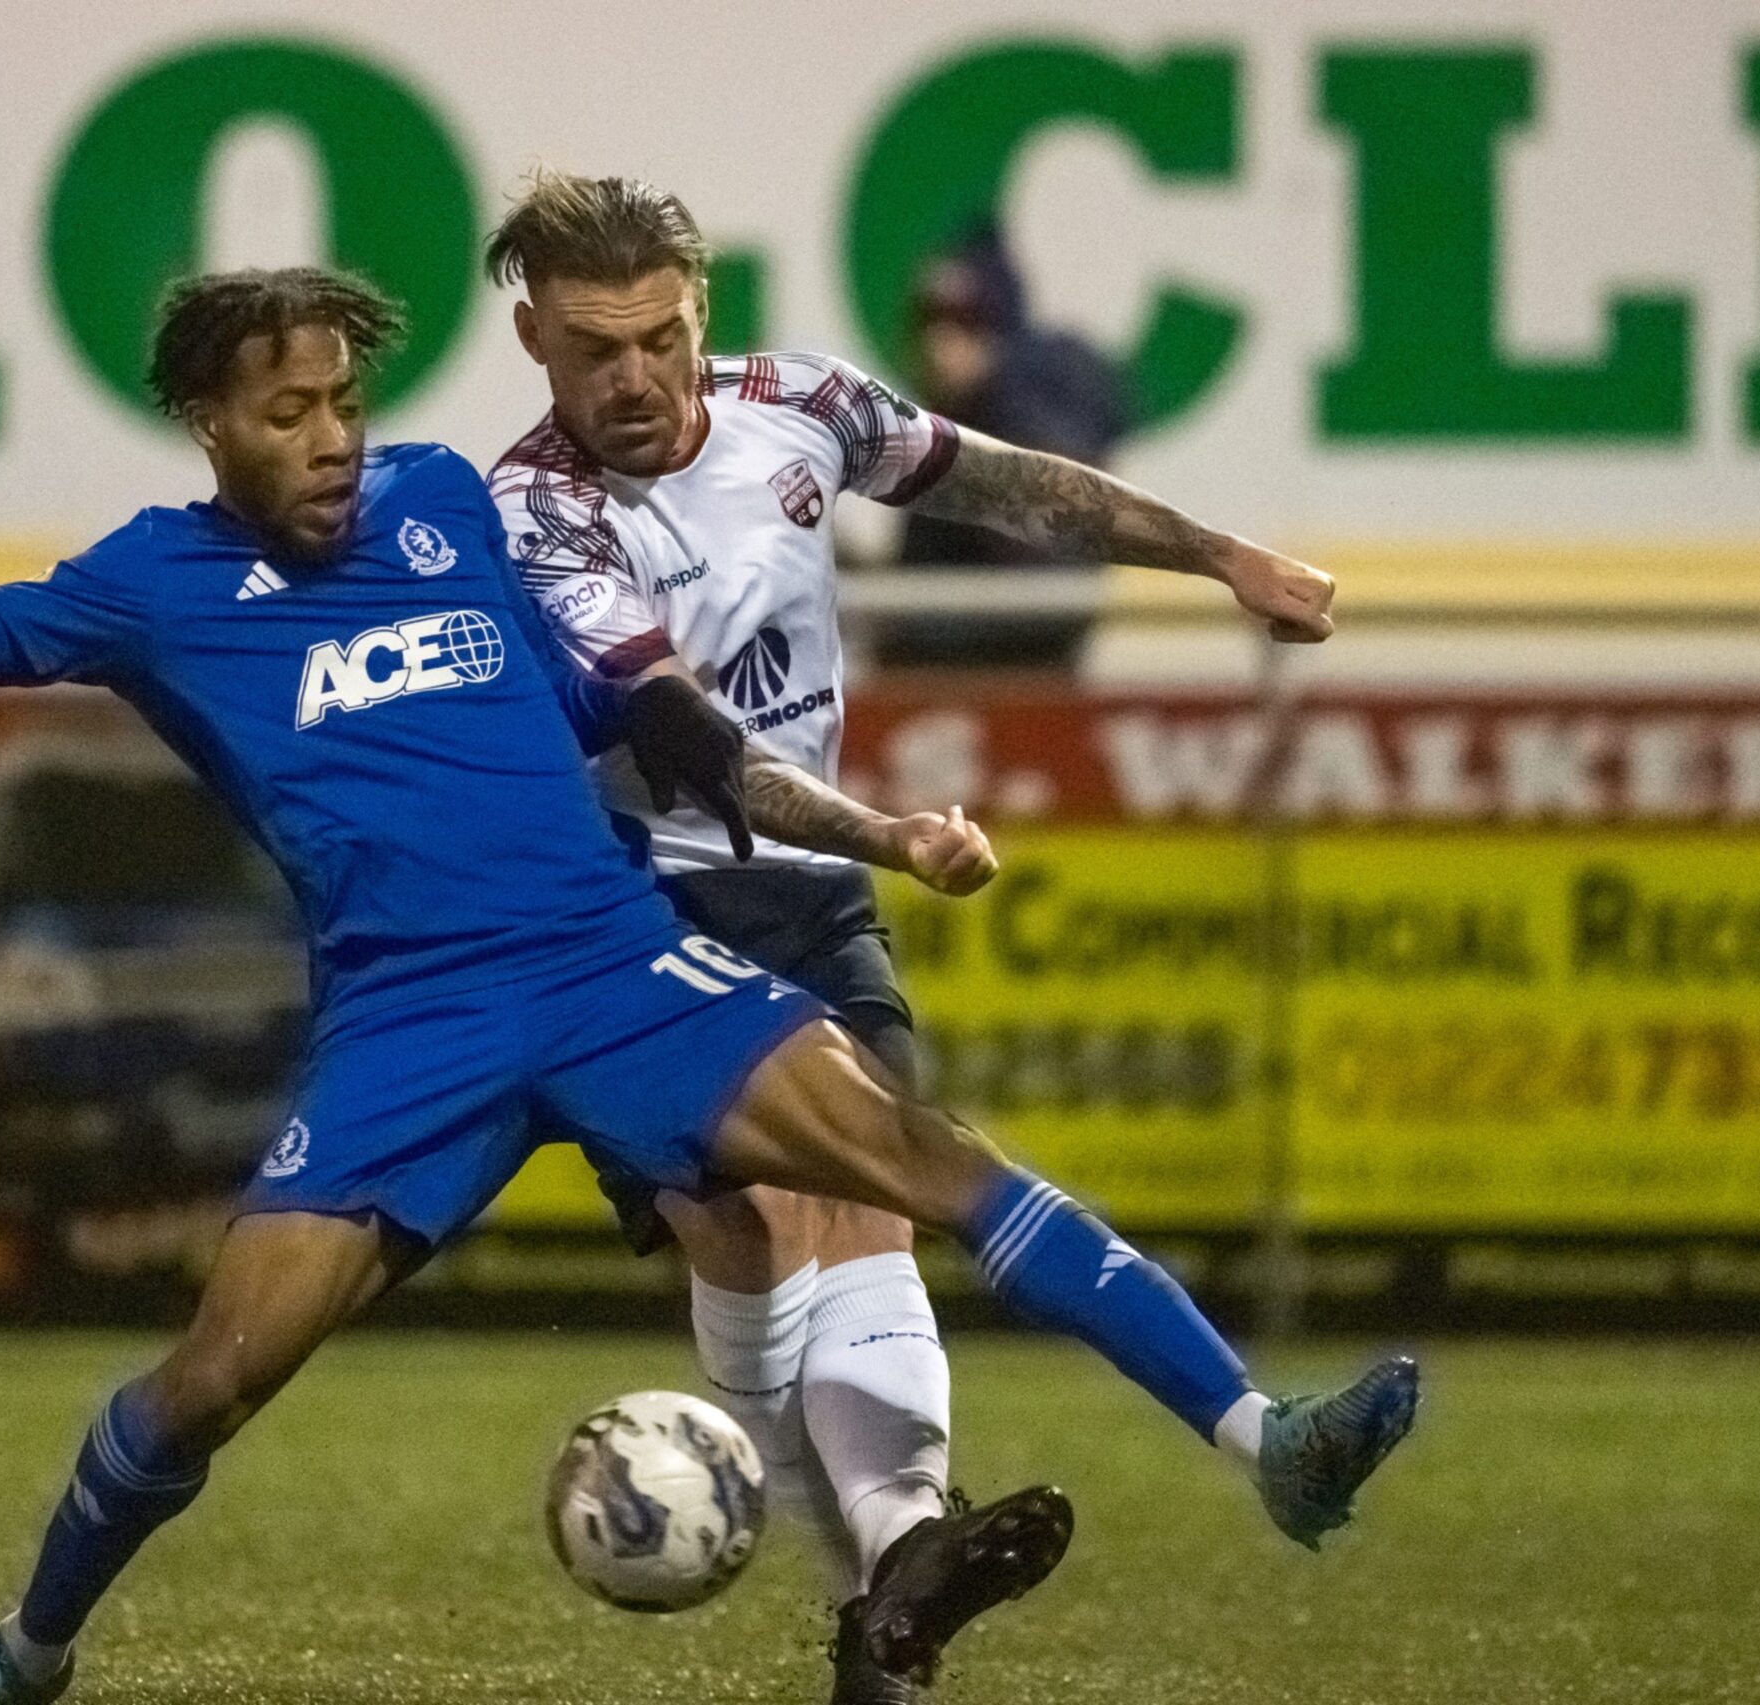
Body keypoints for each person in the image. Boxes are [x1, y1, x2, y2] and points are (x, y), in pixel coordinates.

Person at [0, 264, 1411, 1705]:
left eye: (342, 401)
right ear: (206, 424)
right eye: (285, 412)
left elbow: (620, 707)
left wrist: (827, 816)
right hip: (413, 1025)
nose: (331, 439)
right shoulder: (145, 590)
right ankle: (19, 1662)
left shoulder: (434, 508)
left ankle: (1268, 1441)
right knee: (210, 1383)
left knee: (926, 1161)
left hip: (612, 955)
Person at [484, 170, 1374, 1705]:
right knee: (750, 1234)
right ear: (532, 341)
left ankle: (909, 1567)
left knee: (877, 1196)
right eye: (593, 350)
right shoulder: (537, 510)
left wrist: (1223, 554)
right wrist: (886, 831)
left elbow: (1009, 483)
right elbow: (690, 739)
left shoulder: (801, 406)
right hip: (632, 907)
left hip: (809, 896)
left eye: (661, 337)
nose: (634, 377)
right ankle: (885, 1589)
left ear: (703, 313)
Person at [890, 222, 1134, 670]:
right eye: (929, 325)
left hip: (1015, 678)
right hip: (948, 674)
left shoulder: (1027, 422)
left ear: (999, 332)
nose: (939, 346)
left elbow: (1043, 596)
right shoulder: (943, 430)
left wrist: (906, 623)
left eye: (964, 326)